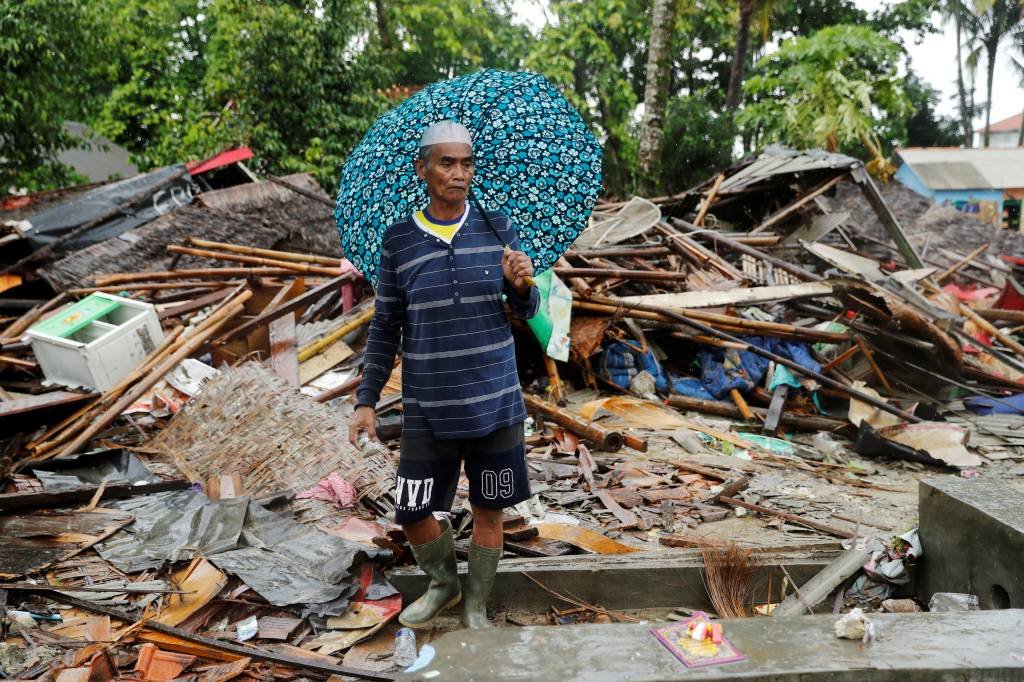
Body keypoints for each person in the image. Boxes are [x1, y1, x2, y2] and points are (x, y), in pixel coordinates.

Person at [349, 120, 539, 629]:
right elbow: (386, 324)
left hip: (495, 399)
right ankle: (444, 585)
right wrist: (366, 399)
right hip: (428, 406)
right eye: (447, 163)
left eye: (467, 163)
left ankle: (476, 603)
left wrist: (520, 287)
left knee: (489, 509)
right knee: (410, 510)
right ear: (423, 170)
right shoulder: (399, 242)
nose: (459, 173)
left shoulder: (498, 229)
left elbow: (526, 310)